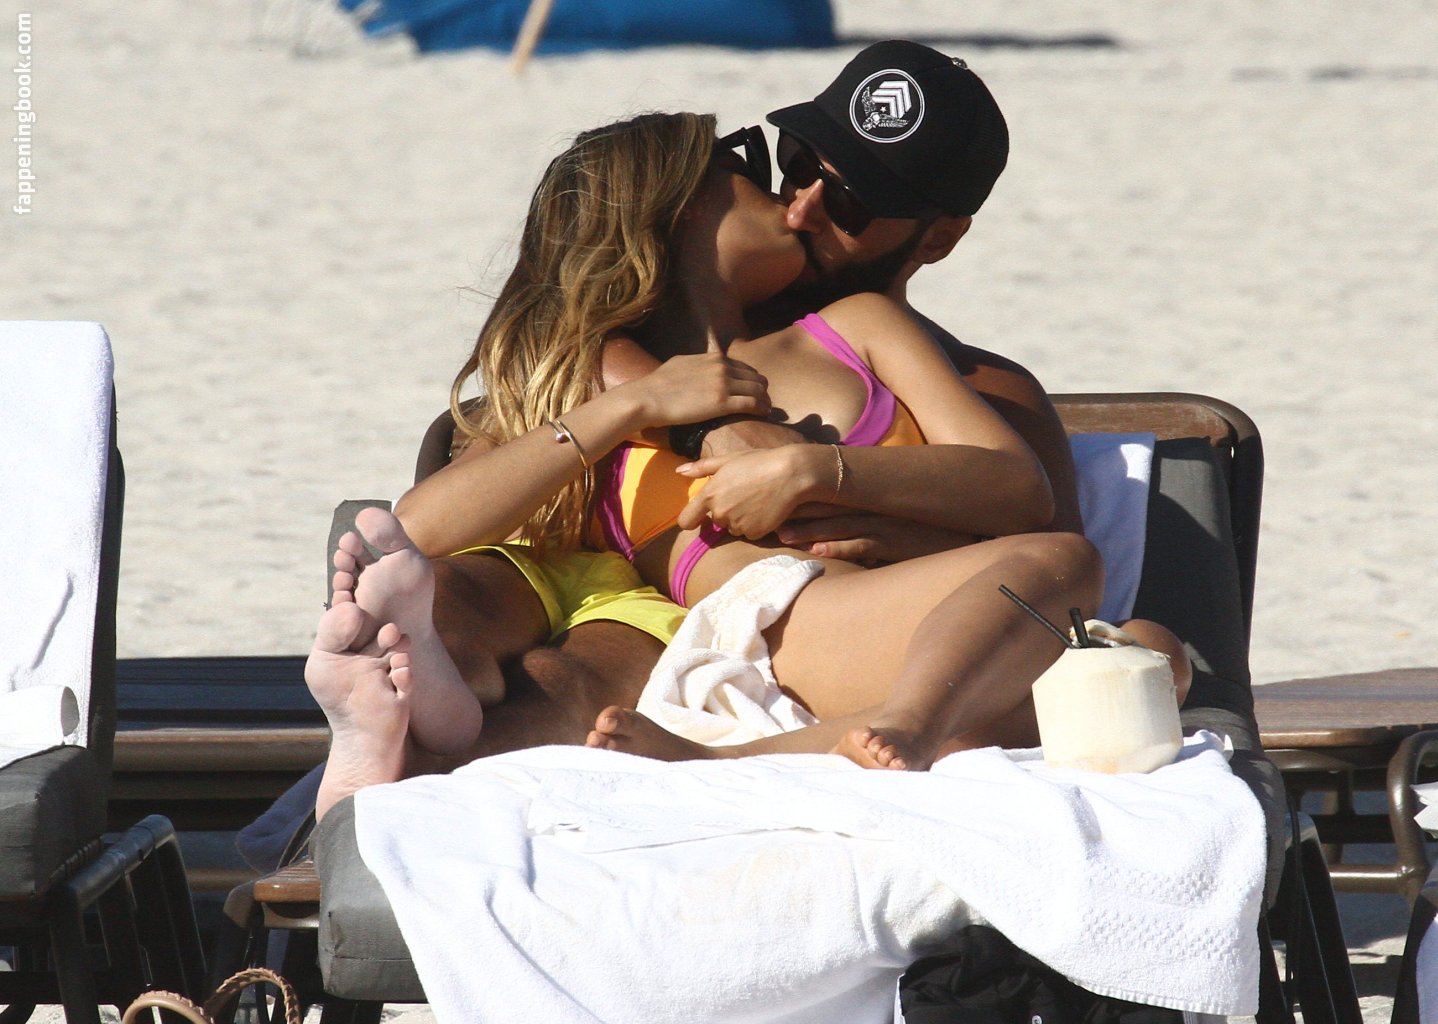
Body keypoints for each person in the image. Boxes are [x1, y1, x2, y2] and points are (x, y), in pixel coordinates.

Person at [307, 108, 1104, 817]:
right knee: (1064, 573)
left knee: (1135, 647)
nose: (797, 202)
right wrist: (641, 404)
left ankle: (748, 754)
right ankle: (405, 732)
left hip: (861, 618)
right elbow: (424, 525)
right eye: (764, 165)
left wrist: (814, 473)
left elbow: (1021, 499)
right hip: (761, 614)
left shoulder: (860, 329)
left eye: (838, 197)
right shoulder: (601, 369)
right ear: (686, 204)